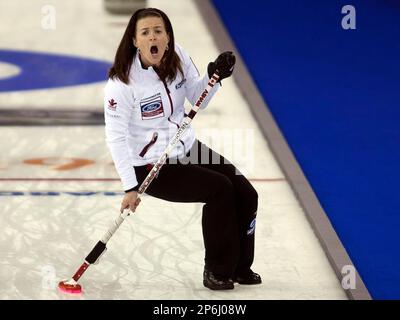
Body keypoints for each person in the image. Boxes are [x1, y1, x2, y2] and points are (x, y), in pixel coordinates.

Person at [104, 7, 261, 290]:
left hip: (186, 148)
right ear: (134, 41)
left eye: (158, 31)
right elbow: (115, 138)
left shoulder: (178, 56)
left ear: (167, 36)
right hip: (151, 165)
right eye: (145, 32)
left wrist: (215, 78)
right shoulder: (122, 84)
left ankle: (239, 267)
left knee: (246, 193)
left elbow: (198, 96)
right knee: (219, 190)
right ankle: (217, 270)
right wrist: (130, 186)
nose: (153, 37)